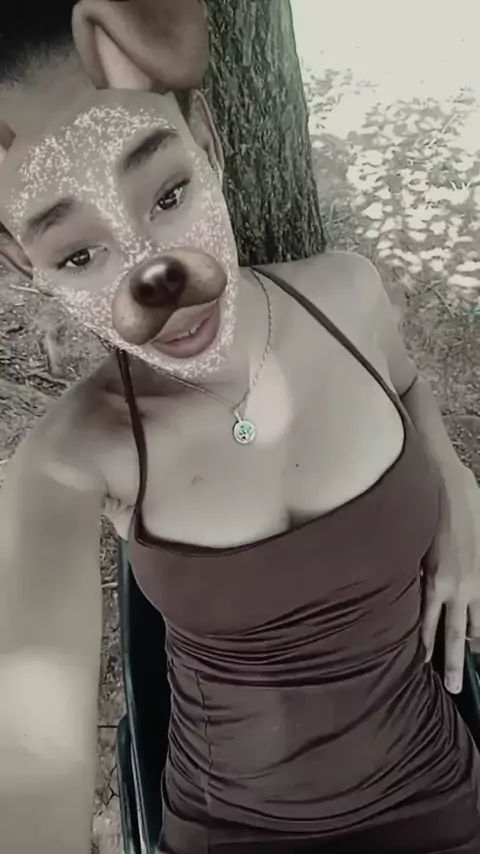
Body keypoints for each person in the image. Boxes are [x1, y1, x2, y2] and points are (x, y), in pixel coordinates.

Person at [0, 1, 480, 852]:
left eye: (169, 194)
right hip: (231, 831)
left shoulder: (347, 293)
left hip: (435, 795)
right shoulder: (69, 460)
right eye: (77, 253)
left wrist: (455, 477)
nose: (156, 274)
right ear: (19, 260)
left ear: (209, 142)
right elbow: (28, 756)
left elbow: (406, 384)